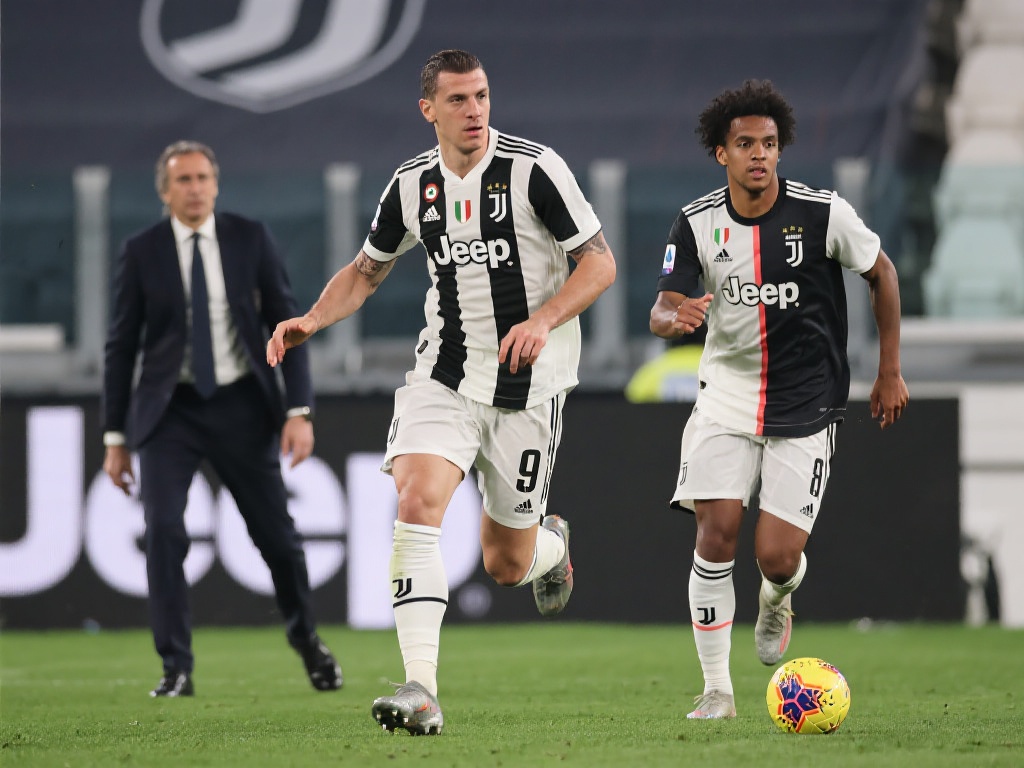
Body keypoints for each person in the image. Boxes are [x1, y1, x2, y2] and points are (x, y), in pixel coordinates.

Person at [267, 49, 616, 735]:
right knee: (417, 500)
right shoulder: (412, 185)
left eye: (481, 96)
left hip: (529, 388)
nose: (475, 111)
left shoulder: (534, 170)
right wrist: (313, 318)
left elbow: (599, 263)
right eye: (458, 100)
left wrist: (542, 320)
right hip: (445, 375)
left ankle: (551, 545)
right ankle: (421, 688)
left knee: (507, 564)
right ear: (428, 109)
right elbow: (366, 271)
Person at [648, 80, 909, 719]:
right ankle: (717, 690)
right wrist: (674, 319)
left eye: (768, 143)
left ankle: (776, 597)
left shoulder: (824, 214)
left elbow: (882, 272)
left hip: (807, 402)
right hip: (726, 396)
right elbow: (662, 307)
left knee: (777, 555)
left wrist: (889, 371)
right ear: (722, 153)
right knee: (716, 533)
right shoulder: (697, 222)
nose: (759, 154)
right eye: (745, 144)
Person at [102, 140, 342, 698]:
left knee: (278, 539)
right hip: (170, 412)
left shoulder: (249, 238)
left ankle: (306, 638)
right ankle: (176, 667)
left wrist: (298, 410)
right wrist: (115, 436)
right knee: (163, 531)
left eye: (203, 178)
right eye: (183, 180)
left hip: (241, 405)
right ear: (164, 192)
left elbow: (289, 325)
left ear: (216, 184)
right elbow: (121, 345)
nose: (195, 189)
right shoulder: (141, 251)